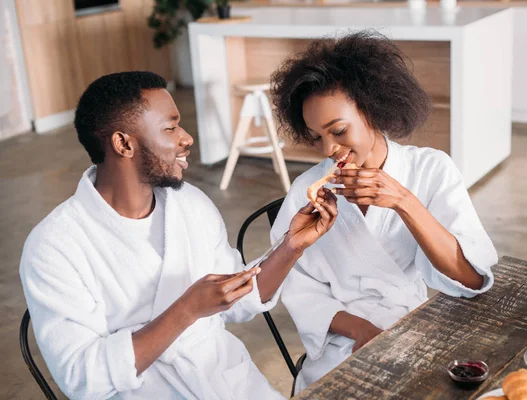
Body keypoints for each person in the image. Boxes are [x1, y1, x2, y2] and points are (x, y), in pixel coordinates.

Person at [19, 71, 338, 399]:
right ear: (123, 143)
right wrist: (186, 310)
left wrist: (290, 247)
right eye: (170, 127)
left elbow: (237, 301)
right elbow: (81, 377)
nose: (186, 138)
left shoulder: (189, 203)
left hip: (229, 382)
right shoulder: (54, 246)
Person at [270, 31, 499, 392]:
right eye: (316, 137)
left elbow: (472, 280)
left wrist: (404, 202)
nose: (328, 149)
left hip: (415, 328)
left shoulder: (431, 169)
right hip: (343, 341)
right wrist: (362, 330)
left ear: (373, 110)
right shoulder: (307, 191)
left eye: (339, 130)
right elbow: (298, 287)